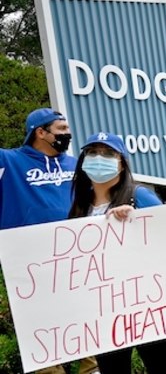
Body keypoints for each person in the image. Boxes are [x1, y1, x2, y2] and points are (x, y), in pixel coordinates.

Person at [67, 132, 166, 374]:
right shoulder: (79, 205)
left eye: (108, 154)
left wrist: (137, 220)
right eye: (93, 152)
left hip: (149, 305)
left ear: (121, 163)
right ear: (83, 160)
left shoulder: (139, 196)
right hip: (104, 312)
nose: (99, 158)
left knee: (162, 370)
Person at [0, 108, 99, 374]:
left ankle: (90, 369)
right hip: (29, 265)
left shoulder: (75, 164)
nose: (67, 134)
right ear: (40, 132)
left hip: (77, 257)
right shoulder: (8, 161)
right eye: (61, 129)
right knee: (40, 329)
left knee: (86, 319)